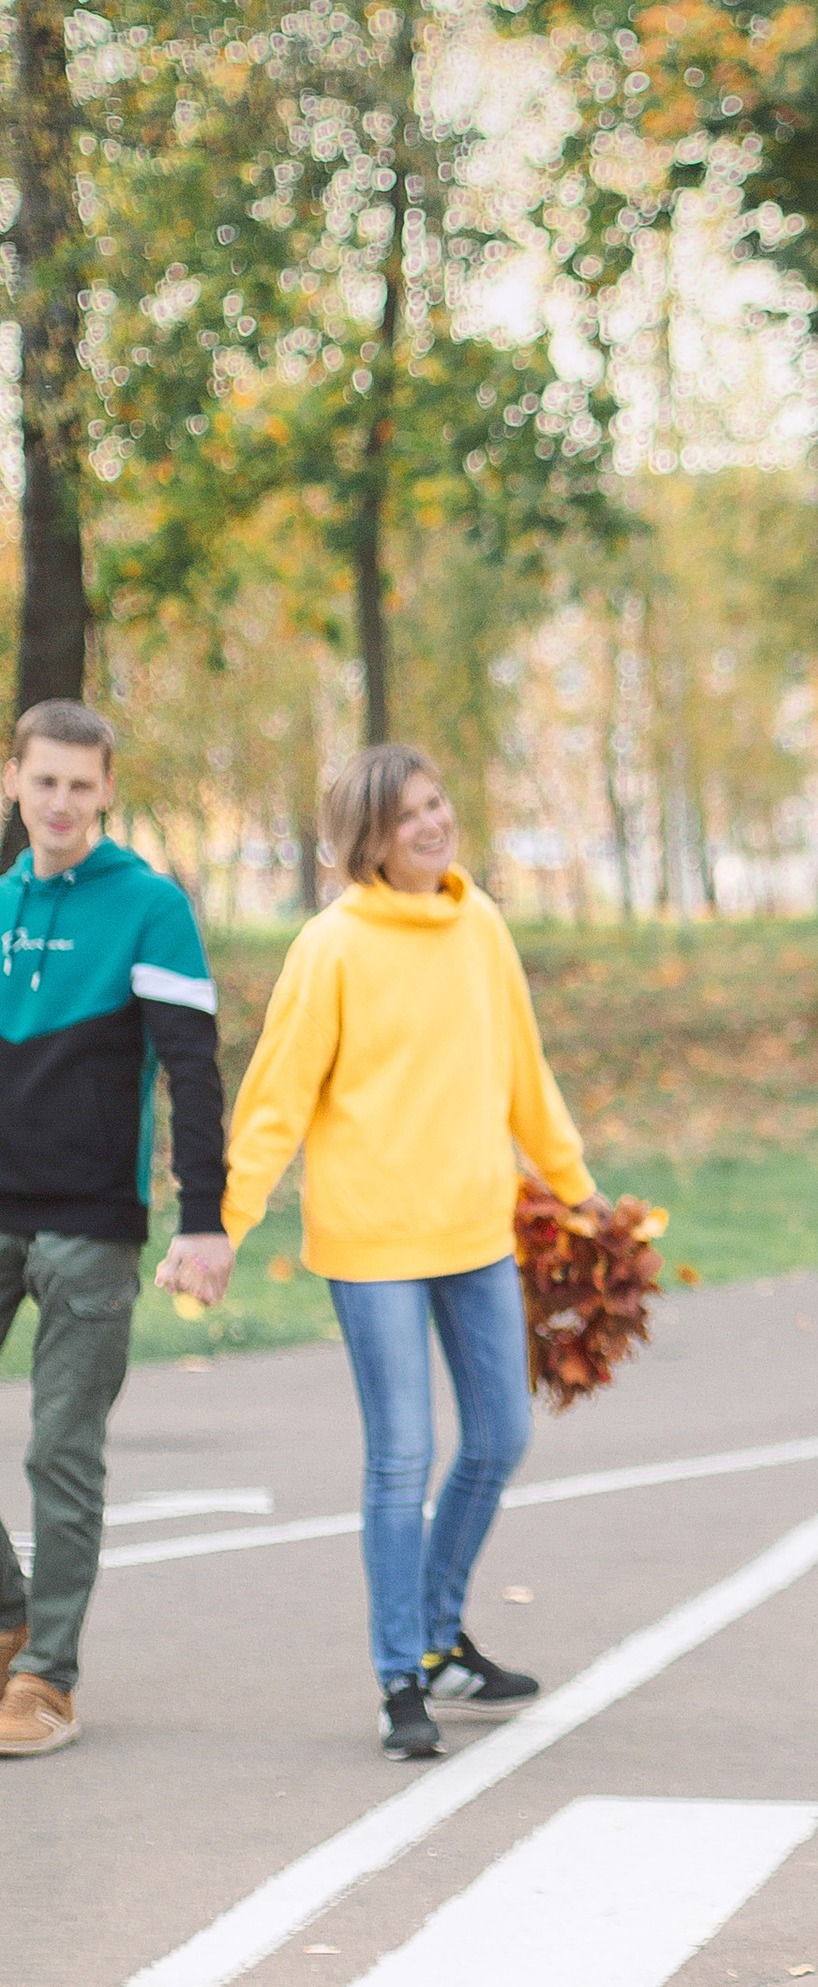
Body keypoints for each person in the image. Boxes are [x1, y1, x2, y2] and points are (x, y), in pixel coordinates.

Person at [221, 744, 605, 1762]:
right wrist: (226, 1218)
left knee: (500, 1437)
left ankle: (439, 1639)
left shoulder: (479, 924)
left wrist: (574, 1188)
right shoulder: (332, 947)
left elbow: (523, 1070)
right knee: (401, 1456)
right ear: (368, 840)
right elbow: (277, 1096)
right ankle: (401, 1673)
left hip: (476, 1232)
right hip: (372, 1242)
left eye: (436, 804)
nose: (430, 826)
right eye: (405, 817)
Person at [0, 702, 234, 1757]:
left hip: (92, 1220)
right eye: (43, 781)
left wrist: (204, 1218)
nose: (60, 803)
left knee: (61, 1447)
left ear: (105, 792)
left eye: (80, 786)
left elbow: (190, 1067)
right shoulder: (0, 900)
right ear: (14, 780)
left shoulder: (148, 906)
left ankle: (47, 1677)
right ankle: (11, 1615)